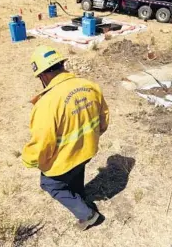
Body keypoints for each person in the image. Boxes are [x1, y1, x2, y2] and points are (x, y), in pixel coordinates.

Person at [22, 45, 109, 231]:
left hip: (65, 159)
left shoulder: (47, 103)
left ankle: (88, 215)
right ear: (61, 65)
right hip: (88, 150)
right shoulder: (90, 86)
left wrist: (29, 160)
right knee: (77, 171)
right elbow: (104, 121)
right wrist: (91, 138)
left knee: (51, 185)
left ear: (43, 76)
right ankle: (80, 195)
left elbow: (42, 143)